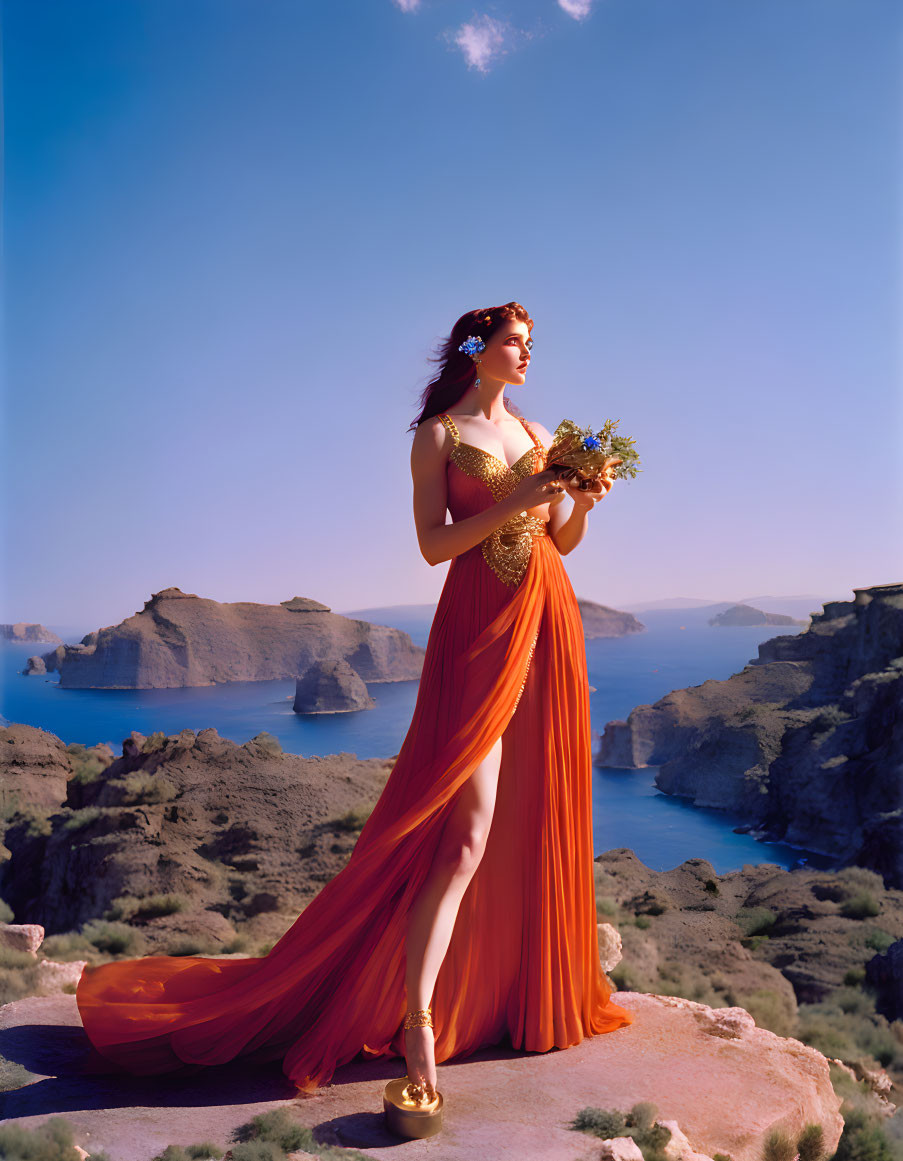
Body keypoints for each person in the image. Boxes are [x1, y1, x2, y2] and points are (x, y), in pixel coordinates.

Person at [75, 301, 633, 1137]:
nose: (528, 355)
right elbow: (435, 547)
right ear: (475, 349)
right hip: (478, 627)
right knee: (464, 831)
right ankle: (417, 1025)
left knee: (533, 815)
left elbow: (558, 539)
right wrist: (522, 491)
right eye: (516, 342)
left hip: (549, 623)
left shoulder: (541, 430)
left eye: (532, 344)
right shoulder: (438, 437)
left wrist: (582, 499)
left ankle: (515, 993)